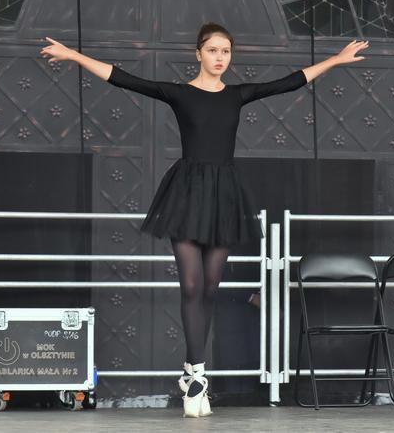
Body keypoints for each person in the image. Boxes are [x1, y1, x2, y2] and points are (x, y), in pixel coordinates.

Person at [41, 23, 368, 417]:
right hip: (186, 194)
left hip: (223, 195)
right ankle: (197, 375)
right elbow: (123, 78)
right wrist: (73, 55)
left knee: (211, 287)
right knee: (192, 284)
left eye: (225, 51)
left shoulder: (236, 95)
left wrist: (335, 60)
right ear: (198, 53)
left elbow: (289, 82)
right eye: (213, 50)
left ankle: (189, 372)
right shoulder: (180, 94)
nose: (219, 57)